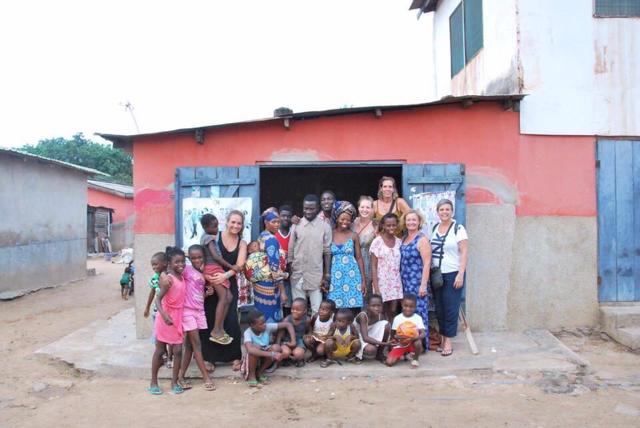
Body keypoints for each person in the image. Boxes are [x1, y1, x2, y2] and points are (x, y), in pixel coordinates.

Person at [200, 210, 247, 372]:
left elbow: (239, 265)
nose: (235, 225)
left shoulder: (242, 243)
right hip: (211, 282)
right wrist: (207, 276)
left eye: (239, 223)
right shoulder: (213, 236)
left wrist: (224, 275)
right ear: (226, 222)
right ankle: (209, 358)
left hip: (229, 281)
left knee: (231, 319)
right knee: (210, 316)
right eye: (233, 222)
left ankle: (234, 357)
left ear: (242, 225)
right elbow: (201, 257)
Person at [430, 199, 468, 357]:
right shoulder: (434, 228)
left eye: (447, 209)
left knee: (451, 308)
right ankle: (443, 338)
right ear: (437, 212)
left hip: (453, 273)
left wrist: (460, 273)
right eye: (441, 209)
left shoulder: (458, 228)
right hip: (437, 274)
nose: (444, 212)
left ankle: (448, 341)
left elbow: (464, 252)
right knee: (440, 309)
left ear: (452, 211)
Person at [149, 246, 187, 395]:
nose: (181, 264)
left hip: (177, 318)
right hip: (165, 318)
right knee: (159, 351)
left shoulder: (181, 277)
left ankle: (174, 381)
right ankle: (153, 381)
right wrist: (164, 315)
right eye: (177, 262)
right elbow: (158, 300)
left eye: (183, 261)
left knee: (178, 351)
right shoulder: (168, 279)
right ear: (169, 263)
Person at [177, 245, 215, 391]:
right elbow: (170, 270)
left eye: (199, 257)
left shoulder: (202, 272)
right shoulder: (186, 269)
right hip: (187, 312)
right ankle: (206, 377)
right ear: (189, 258)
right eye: (193, 258)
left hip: (199, 311)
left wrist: (206, 294)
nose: (197, 260)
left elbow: (195, 294)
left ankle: (180, 376)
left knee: (190, 347)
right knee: (196, 344)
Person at [288, 194, 332, 315]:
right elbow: (291, 250)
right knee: (298, 310)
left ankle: (315, 334)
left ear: (318, 208)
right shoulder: (296, 225)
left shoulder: (325, 227)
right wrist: (291, 270)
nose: (308, 211)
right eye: (305, 208)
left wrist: (327, 275)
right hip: (298, 274)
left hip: (316, 275)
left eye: (311, 208)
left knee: (317, 310)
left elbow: (327, 252)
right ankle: (300, 333)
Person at [200, 213, 237, 345]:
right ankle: (216, 330)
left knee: (229, 297)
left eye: (217, 226)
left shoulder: (210, 237)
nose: (216, 229)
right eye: (213, 226)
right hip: (213, 269)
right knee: (223, 297)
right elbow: (215, 257)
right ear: (205, 227)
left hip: (217, 268)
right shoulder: (208, 238)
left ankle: (220, 327)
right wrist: (231, 266)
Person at [326, 201, 366, 311]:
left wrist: (363, 280)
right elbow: (326, 255)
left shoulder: (354, 236)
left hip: (352, 276)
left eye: (348, 220)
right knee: (335, 307)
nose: (345, 222)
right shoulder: (330, 233)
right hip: (335, 277)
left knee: (353, 307)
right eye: (342, 219)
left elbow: (359, 258)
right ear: (337, 218)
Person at [241, 310, 296, 387]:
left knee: (276, 347)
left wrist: (293, 341)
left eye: (264, 322)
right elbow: (250, 350)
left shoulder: (267, 326)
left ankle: (260, 372)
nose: (264, 325)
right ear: (252, 325)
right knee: (254, 350)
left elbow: (288, 325)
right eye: (261, 324)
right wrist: (272, 354)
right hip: (252, 359)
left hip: (265, 356)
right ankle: (252, 375)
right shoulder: (248, 332)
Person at [400, 210, 432, 337]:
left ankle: (421, 344)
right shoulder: (404, 238)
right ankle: (408, 342)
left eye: (414, 220)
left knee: (418, 312)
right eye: (408, 220)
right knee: (408, 313)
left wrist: (423, 285)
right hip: (405, 282)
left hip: (417, 282)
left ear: (419, 222)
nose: (411, 222)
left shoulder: (422, 239)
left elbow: (427, 263)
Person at [253, 211, 287, 322]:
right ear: (266, 223)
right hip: (270, 286)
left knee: (260, 314)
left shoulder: (261, 236)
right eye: (274, 222)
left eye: (278, 222)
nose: (277, 224)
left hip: (259, 283)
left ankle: (260, 337)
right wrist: (282, 291)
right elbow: (274, 267)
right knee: (270, 315)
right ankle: (270, 338)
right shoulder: (272, 240)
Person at [370, 213, 403, 320]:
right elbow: (373, 266)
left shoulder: (399, 242)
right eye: (388, 225)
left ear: (397, 225)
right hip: (381, 281)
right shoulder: (377, 242)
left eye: (393, 225)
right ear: (383, 226)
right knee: (381, 310)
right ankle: (383, 334)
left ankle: (391, 334)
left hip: (395, 282)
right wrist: (376, 287)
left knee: (393, 310)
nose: (391, 227)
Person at [386, 294, 426, 368]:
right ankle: (404, 354)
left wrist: (416, 337)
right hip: (401, 343)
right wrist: (398, 337)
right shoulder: (397, 318)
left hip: (413, 343)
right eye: (406, 306)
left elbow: (423, 333)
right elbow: (393, 335)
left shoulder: (417, 318)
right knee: (389, 363)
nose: (408, 309)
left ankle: (415, 359)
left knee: (418, 343)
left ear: (415, 306)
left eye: (411, 307)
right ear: (401, 304)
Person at [143, 252, 168, 364]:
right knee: (159, 335)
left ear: (165, 263)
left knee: (169, 336)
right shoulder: (154, 278)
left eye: (156, 264)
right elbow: (152, 292)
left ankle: (169, 357)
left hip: (168, 311)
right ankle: (164, 355)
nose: (153, 267)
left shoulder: (169, 277)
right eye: (152, 265)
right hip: (156, 311)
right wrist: (147, 307)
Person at [355, 294, 390, 363]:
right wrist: (383, 343)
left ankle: (379, 354)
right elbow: (365, 338)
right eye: (373, 306)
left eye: (379, 306)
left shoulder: (380, 316)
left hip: (369, 334)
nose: (376, 308)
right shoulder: (363, 316)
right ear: (368, 306)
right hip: (358, 336)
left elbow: (380, 330)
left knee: (387, 325)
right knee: (371, 349)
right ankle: (356, 354)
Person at [353, 195, 376, 295]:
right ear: (358, 208)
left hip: (368, 262)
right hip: (352, 261)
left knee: (366, 291)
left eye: (368, 207)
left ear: (372, 209)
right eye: (362, 207)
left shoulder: (375, 225)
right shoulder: (351, 222)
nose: (364, 210)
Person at [277, 298, 309, 367]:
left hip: (299, 341)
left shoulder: (307, 320)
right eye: (293, 309)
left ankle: (300, 359)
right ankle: (286, 358)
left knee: (298, 354)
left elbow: (309, 330)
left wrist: (307, 337)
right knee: (285, 352)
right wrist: (278, 345)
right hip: (287, 341)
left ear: (304, 311)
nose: (294, 311)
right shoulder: (287, 320)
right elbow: (280, 334)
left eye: (298, 310)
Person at [275, 205, 293, 316]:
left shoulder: (294, 231)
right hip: (276, 274)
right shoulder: (274, 233)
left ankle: (286, 329)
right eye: (283, 216)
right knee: (277, 302)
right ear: (279, 217)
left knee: (288, 302)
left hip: (291, 273)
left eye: (288, 216)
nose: (286, 218)